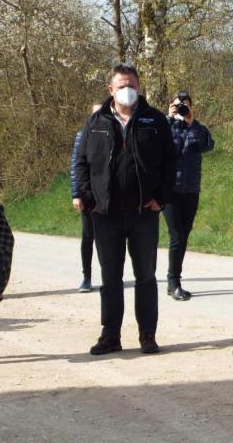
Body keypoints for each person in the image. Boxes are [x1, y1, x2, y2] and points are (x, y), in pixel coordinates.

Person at [74, 64, 177, 355]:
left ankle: (147, 334)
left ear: (139, 86)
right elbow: (82, 162)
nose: (127, 89)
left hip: (144, 213)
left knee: (145, 275)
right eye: (121, 85)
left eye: (131, 84)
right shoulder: (95, 122)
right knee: (110, 278)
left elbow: (171, 162)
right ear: (111, 90)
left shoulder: (155, 120)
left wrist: (162, 198)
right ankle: (111, 335)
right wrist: (86, 196)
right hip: (105, 214)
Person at [163, 91, 215, 301]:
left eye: (185, 105)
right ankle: (173, 282)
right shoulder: (164, 126)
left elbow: (208, 145)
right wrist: (168, 118)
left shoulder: (198, 128)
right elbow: (154, 144)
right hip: (170, 191)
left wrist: (191, 122)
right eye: (178, 105)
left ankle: (174, 280)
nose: (181, 108)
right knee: (176, 236)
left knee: (183, 235)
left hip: (191, 189)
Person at [70, 103, 103, 293]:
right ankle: (86, 277)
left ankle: (109, 275)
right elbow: (76, 167)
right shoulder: (82, 136)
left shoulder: (113, 133)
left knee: (106, 238)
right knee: (88, 236)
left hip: (106, 196)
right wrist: (76, 194)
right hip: (87, 194)